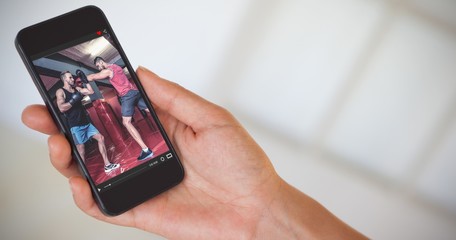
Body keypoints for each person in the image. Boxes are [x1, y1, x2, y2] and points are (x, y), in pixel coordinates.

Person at [22, 66, 367, 239]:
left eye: (72, 73)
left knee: (123, 126)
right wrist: (262, 208)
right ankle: (139, 151)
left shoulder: (103, 73)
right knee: (96, 139)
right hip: (86, 118)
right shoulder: (67, 92)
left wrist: (263, 207)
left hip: (111, 106)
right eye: (67, 75)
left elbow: (100, 79)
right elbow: (75, 97)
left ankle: (139, 152)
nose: (70, 77)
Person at [78, 57, 153, 161]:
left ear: (100, 62)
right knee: (150, 110)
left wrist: (82, 78)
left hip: (127, 95)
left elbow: (94, 77)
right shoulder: (116, 67)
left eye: (98, 66)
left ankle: (145, 150)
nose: (99, 68)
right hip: (135, 92)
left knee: (126, 123)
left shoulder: (108, 70)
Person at [56, 71, 120, 173]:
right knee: (81, 150)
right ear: (64, 79)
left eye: (72, 77)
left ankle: (107, 165)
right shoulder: (60, 91)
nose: (72, 79)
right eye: (70, 78)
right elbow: (61, 108)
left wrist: (86, 81)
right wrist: (73, 100)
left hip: (86, 122)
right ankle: (83, 174)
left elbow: (91, 92)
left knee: (101, 138)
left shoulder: (76, 89)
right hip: (75, 126)